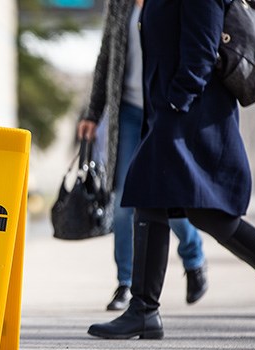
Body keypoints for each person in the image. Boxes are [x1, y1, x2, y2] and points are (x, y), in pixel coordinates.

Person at [88, 0, 255, 339]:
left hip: (192, 117)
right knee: (163, 201)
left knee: (206, 214)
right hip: (171, 115)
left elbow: (203, 47)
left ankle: (144, 310)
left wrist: (175, 103)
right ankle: (144, 311)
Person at [78, 0, 207, 311]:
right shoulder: (119, 5)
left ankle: (193, 256)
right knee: (124, 201)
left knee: (166, 199)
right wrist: (92, 113)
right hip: (129, 113)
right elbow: (106, 56)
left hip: (164, 111)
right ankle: (126, 283)